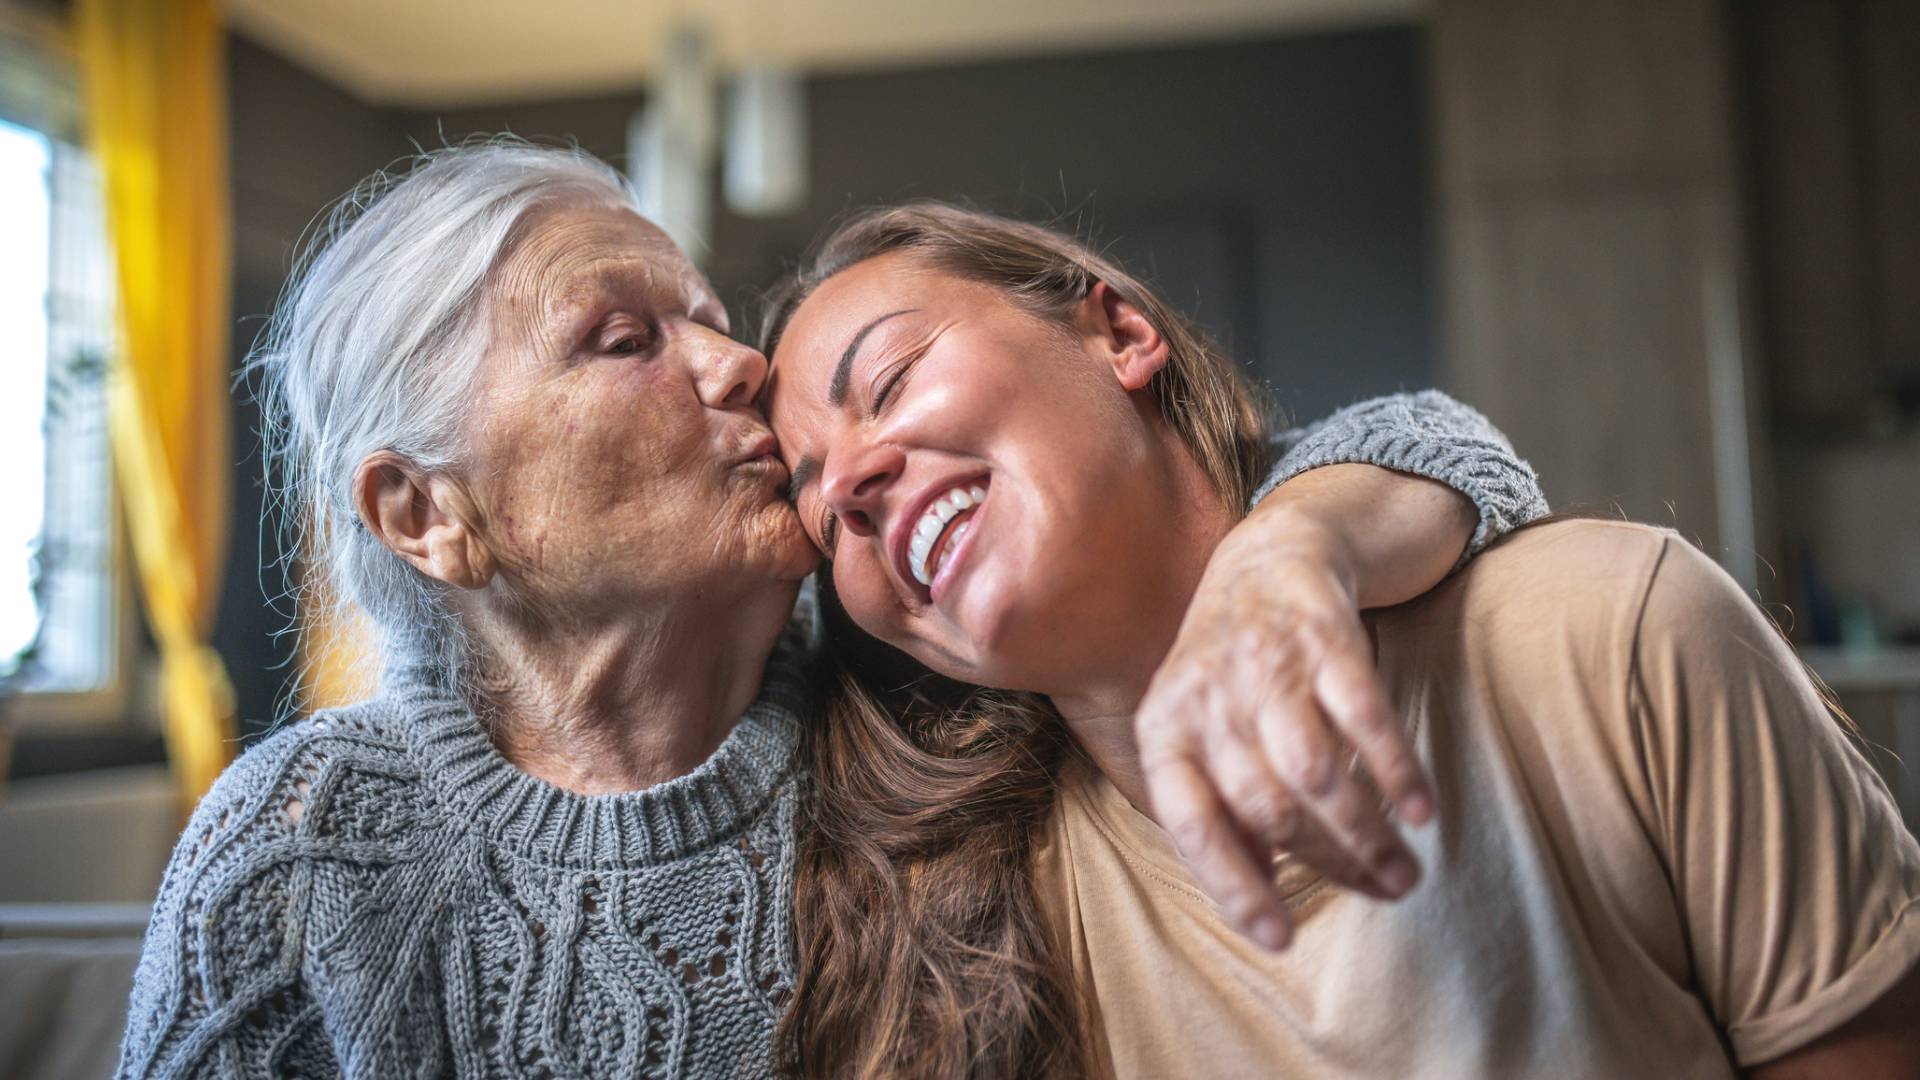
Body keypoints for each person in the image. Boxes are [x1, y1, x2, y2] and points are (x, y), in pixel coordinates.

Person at [116, 142, 1547, 1078]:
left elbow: (1441, 449)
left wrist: (1284, 556)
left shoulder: (939, 684)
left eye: (707, 318)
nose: (736, 367)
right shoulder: (305, 848)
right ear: (426, 515)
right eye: (626, 341)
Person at [761, 202, 1920, 1078]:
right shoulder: (974, 944)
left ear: (1118, 330)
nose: (851, 485)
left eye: (896, 379)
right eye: (818, 510)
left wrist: (1297, 544)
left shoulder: (1613, 631)